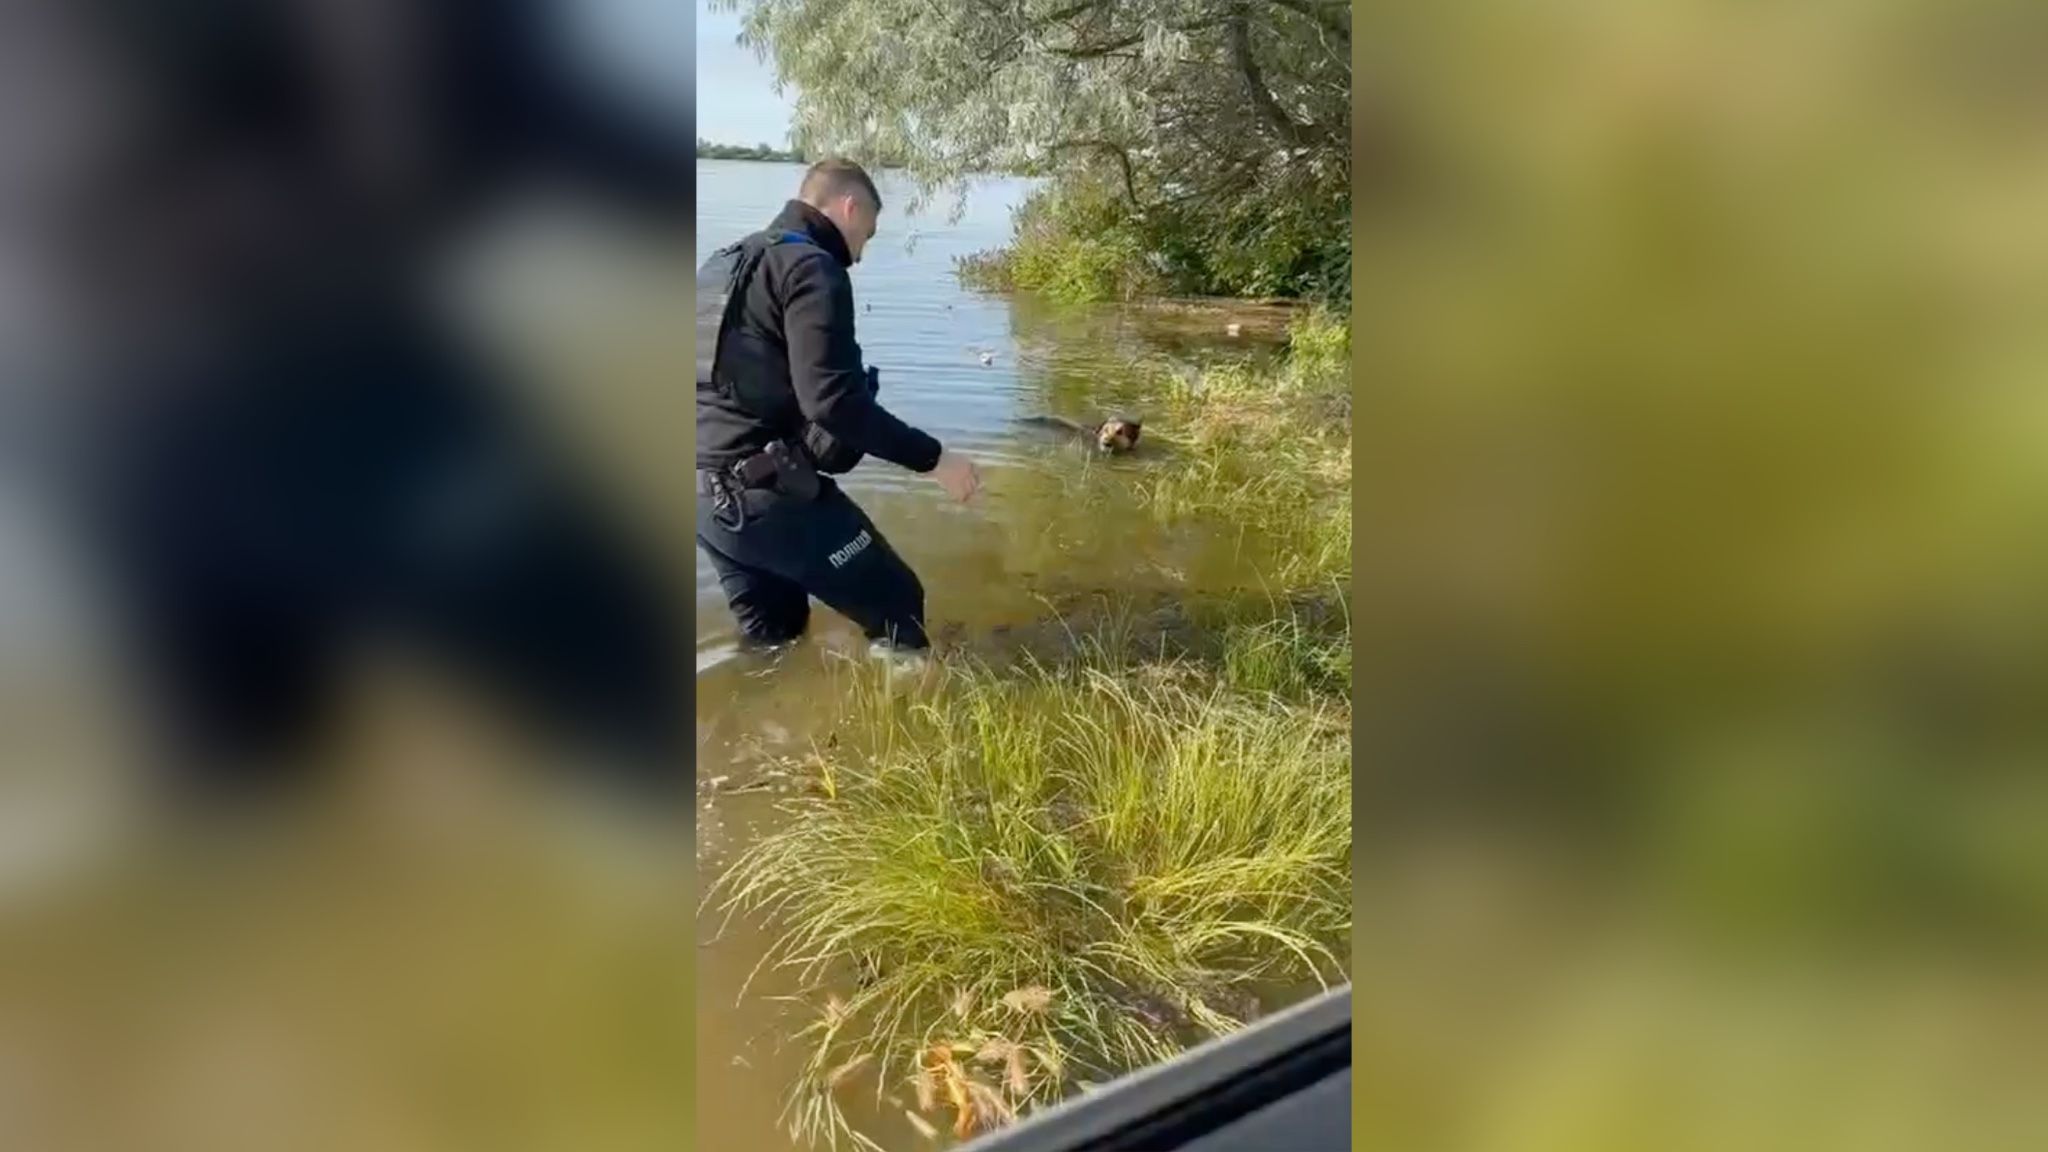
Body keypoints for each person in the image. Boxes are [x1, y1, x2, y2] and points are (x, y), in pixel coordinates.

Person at [696, 159, 980, 655]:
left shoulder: (724, 262)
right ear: (849, 207)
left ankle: (755, 728)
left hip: (702, 499)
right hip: (763, 494)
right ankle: (905, 728)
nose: (860, 255)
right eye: (866, 235)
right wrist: (935, 460)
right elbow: (832, 402)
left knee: (776, 639)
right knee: (898, 603)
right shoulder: (811, 266)